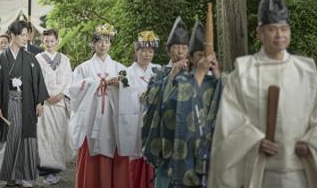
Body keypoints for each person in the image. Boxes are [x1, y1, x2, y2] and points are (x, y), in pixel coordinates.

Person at [207, 0, 317, 188]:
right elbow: (229, 126)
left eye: (284, 29)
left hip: (300, 173)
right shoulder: (243, 74)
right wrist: (255, 142)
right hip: (260, 174)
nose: (279, 35)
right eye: (272, 29)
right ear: (259, 33)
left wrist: (313, 143)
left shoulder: (306, 73)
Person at [145, 17, 221, 188]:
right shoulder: (160, 72)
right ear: (168, 49)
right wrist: (171, 74)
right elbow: (153, 104)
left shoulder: (205, 77)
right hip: (169, 140)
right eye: (176, 47)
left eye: (184, 47)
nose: (180, 51)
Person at [69, 23, 142, 188]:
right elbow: (74, 90)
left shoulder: (120, 68)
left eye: (107, 41)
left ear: (110, 44)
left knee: (115, 147)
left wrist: (119, 84)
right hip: (91, 118)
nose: (103, 45)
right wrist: (96, 83)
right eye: (100, 41)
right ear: (93, 44)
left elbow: (130, 87)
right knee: (91, 151)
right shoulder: (83, 68)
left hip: (112, 118)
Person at [0, 20, 49, 187]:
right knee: (9, 138)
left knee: (26, 138)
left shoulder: (30, 58)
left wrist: (39, 102)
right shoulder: (0, 58)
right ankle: (9, 176)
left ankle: (24, 175)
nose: (25, 38)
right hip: (7, 104)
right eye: (22, 35)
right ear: (12, 35)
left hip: (26, 104)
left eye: (27, 35)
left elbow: (38, 82)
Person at [35, 28, 73, 185]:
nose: (49, 44)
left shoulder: (65, 59)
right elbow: (36, 80)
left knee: (58, 135)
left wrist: (61, 95)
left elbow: (69, 80)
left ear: (58, 41)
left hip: (59, 102)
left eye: (52, 41)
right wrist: (44, 96)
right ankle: (45, 171)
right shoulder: (37, 58)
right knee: (44, 136)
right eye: (46, 41)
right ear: (42, 41)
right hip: (45, 103)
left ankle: (55, 169)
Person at [124, 31, 160, 188]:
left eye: (150, 51)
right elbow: (123, 95)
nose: (147, 55)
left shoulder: (158, 70)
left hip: (153, 119)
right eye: (143, 51)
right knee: (135, 152)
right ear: (136, 51)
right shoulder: (126, 73)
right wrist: (138, 95)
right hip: (135, 119)